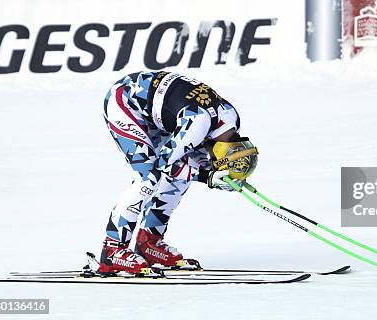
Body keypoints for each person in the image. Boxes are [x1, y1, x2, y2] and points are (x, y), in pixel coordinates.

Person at [100, 70, 258, 274]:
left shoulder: (231, 120)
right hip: (125, 102)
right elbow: (163, 164)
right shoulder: (198, 125)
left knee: (183, 174)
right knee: (148, 177)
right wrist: (206, 176)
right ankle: (112, 250)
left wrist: (220, 175)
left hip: (158, 113)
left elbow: (195, 159)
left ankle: (149, 241)